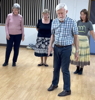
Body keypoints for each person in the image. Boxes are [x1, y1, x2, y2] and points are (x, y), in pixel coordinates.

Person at [47, 3, 79, 96]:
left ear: (66, 11)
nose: (60, 15)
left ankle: (67, 89)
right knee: (55, 68)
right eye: (58, 13)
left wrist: (77, 51)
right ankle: (54, 84)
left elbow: (76, 37)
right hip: (56, 48)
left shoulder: (72, 22)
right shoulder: (54, 22)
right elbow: (52, 35)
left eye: (62, 13)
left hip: (66, 48)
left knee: (65, 69)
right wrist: (50, 46)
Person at [71, 9, 95, 75]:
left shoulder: (89, 23)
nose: (82, 16)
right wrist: (73, 40)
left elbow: (92, 33)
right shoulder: (78, 22)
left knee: (82, 55)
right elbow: (74, 32)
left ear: (86, 15)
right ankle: (77, 68)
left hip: (84, 41)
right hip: (77, 40)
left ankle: (81, 69)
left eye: (83, 14)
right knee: (77, 54)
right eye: (81, 14)